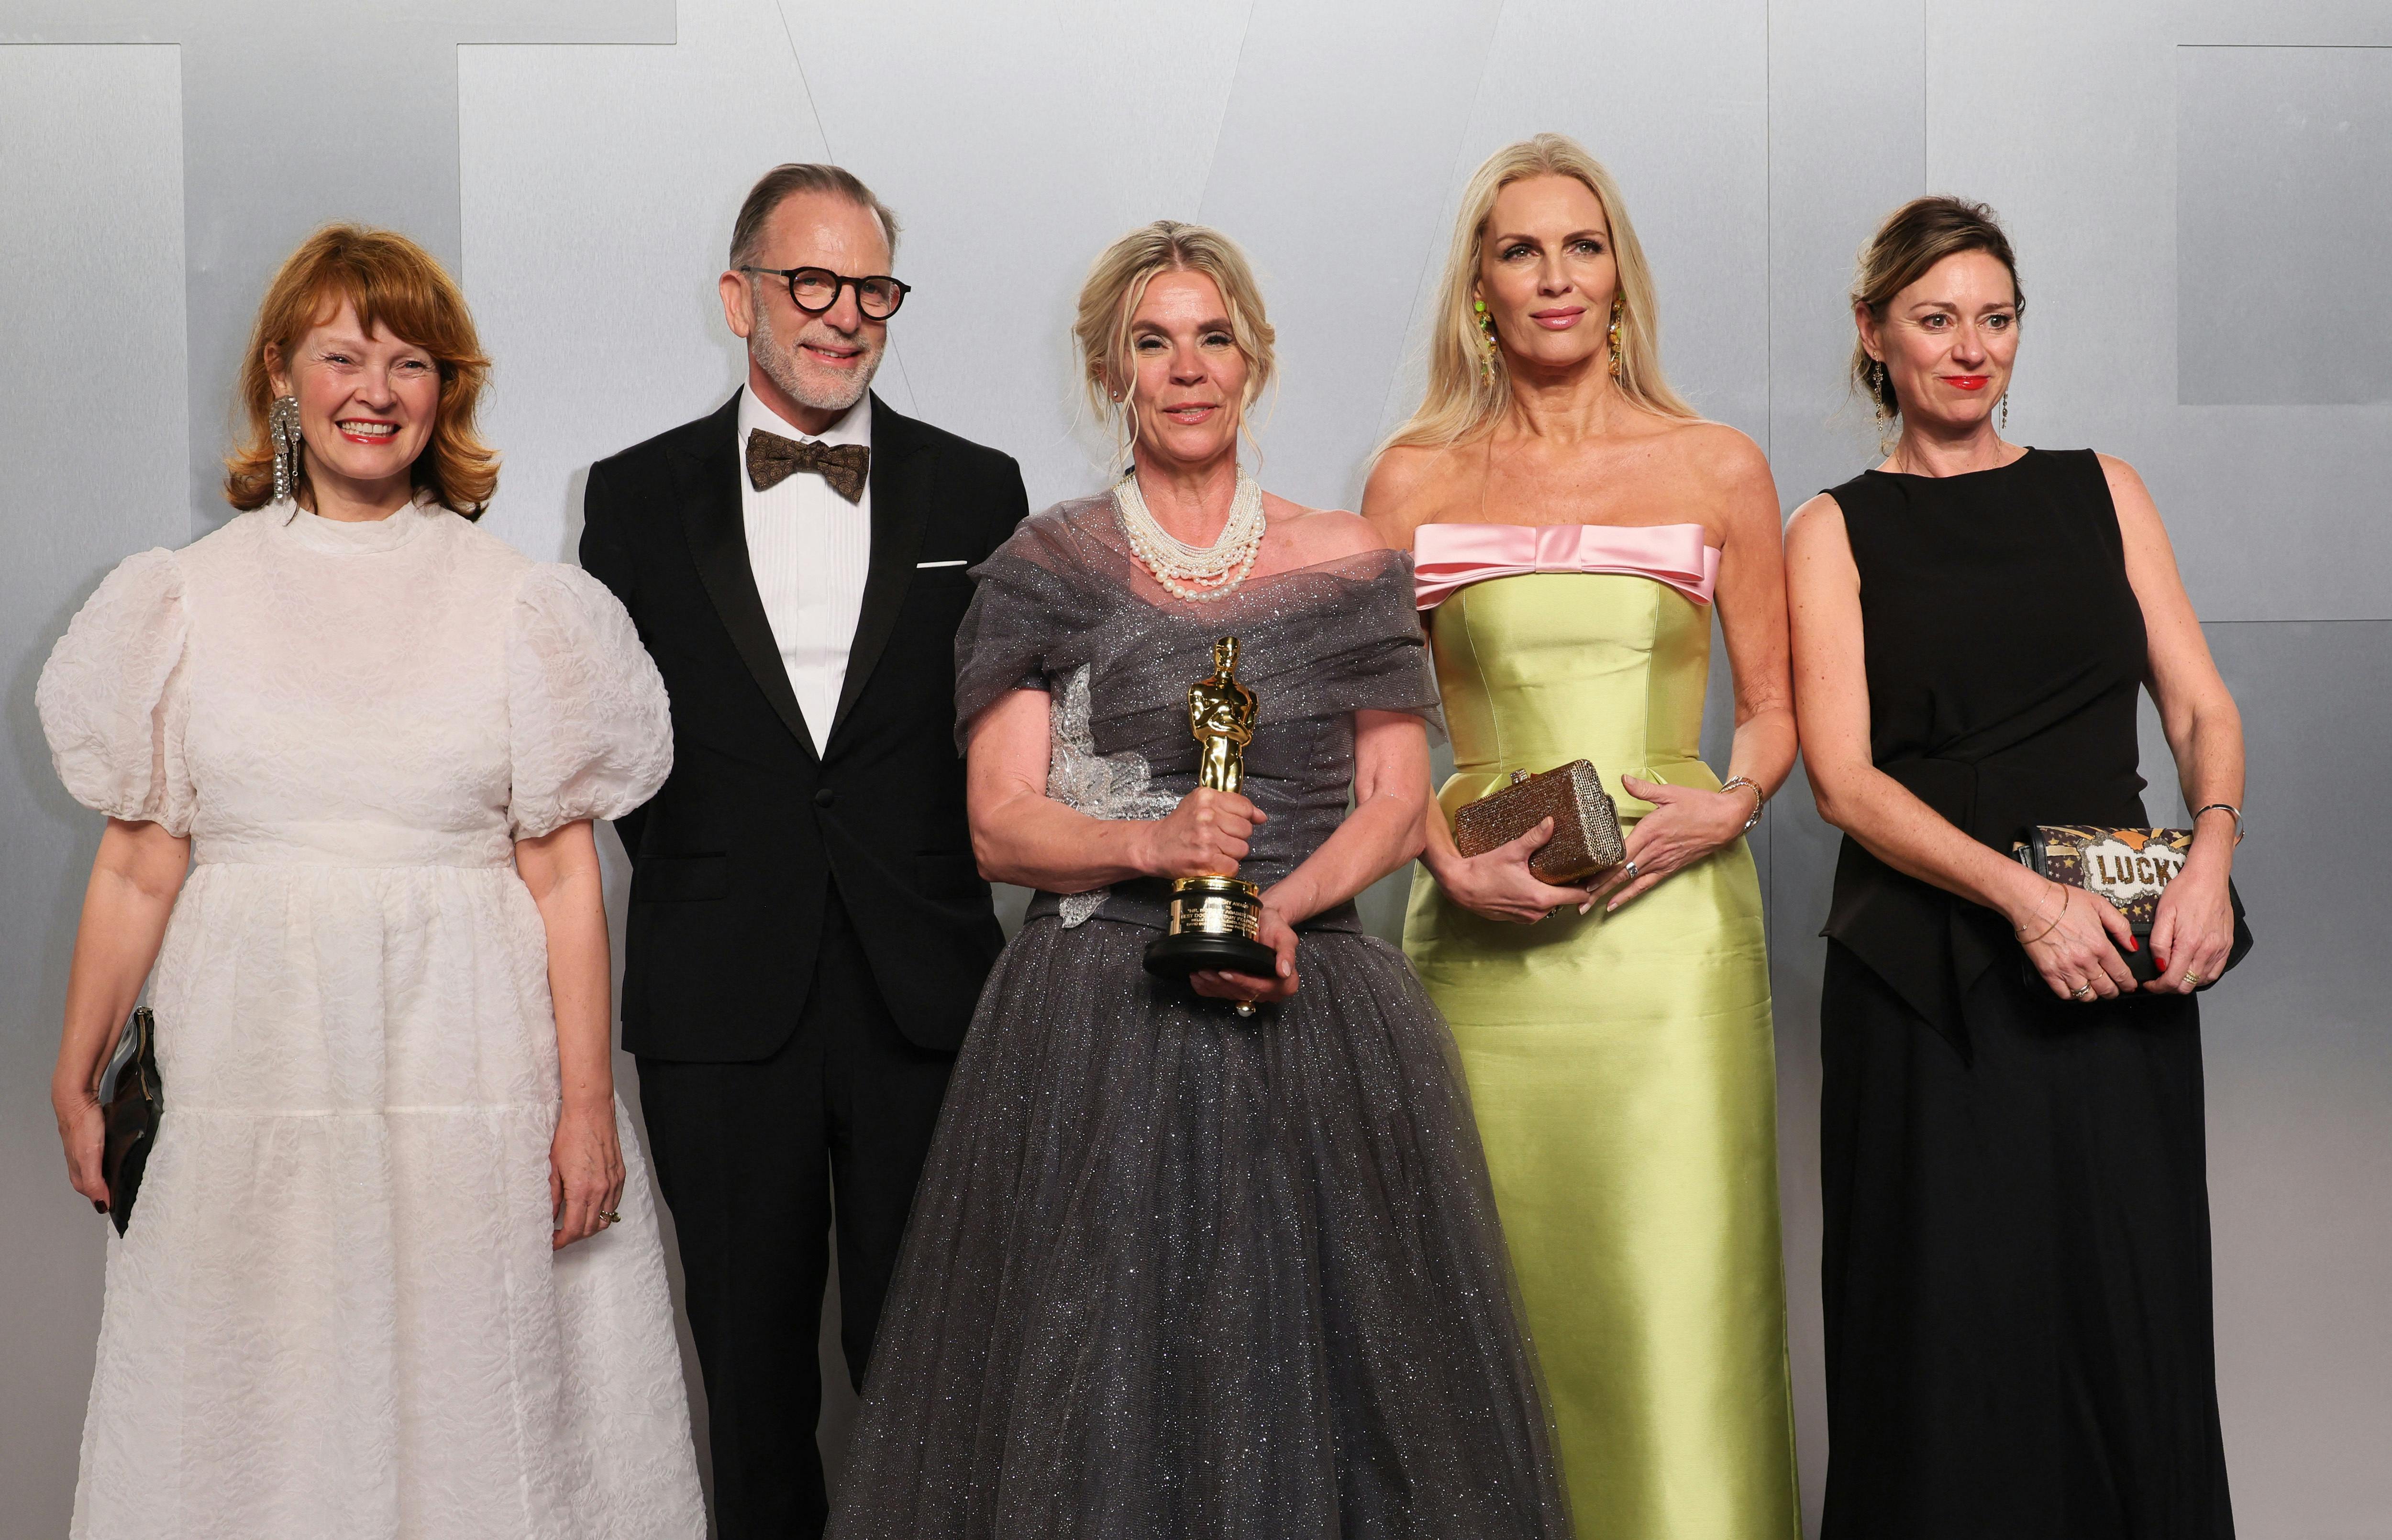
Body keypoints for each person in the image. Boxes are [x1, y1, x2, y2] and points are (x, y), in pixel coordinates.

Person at [824, 220, 1570, 1538]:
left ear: (1255, 361)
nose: (1187, 369)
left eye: (1213, 338)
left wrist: (1271, 914)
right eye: (1152, 343)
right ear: (1111, 371)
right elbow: (999, 824)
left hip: (1317, 1003)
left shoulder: (1347, 560)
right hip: (1096, 1017)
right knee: (1102, 1388)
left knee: (1352, 1396)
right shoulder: (1044, 566)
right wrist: (1153, 847)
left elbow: (1399, 804)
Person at [38, 225, 703, 1539]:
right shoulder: (184, 600)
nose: (375, 389)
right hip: (249, 1067)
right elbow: (138, 858)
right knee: (251, 1404)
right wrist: (78, 1068)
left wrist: (585, 1109)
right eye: (342, 355)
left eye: (410, 361)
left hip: (469, 1063)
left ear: (444, 391)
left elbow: (566, 877)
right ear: (280, 375)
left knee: (482, 1408)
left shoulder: (521, 606)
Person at [577, 163, 1028, 1539]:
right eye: (809, 283)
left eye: (870, 287)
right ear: (740, 297)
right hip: (720, 996)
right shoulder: (634, 494)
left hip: (928, 989)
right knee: (750, 1379)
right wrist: (726, 872)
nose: (843, 316)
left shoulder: (978, 486)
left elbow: (1011, 736)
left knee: (935, 1370)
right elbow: (619, 744)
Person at [1785, 195, 2246, 1537]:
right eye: (1936, 321)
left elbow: (2205, 711)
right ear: (1876, 336)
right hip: (1931, 978)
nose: (1970, 348)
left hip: (2125, 962)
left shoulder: (2102, 488)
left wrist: (2212, 848)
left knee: (2129, 1318)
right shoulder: (1833, 527)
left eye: (1996, 318)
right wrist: (2025, 898)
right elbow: (1844, 779)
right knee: (1941, 1338)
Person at [1362, 133, 1801, 1538]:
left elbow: (1780, 707)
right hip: (1478, 945)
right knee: (1479, 1297)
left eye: (1582, 246)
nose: (1555, 277)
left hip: (1674, 943)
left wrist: (1732, 800)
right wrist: (1439, 845)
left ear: (1620, 277)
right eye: (1520, 250)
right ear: (1477, 288)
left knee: (1678, 1306)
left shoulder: (1719, 462)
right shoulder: (1412, 480)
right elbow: (1374, 741)